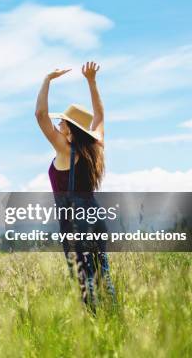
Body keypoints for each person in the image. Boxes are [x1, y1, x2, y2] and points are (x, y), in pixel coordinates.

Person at [34, 61, 116, 310]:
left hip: (74, 223)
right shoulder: (95, 148)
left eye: (62, 123)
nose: (58, 126)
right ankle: (112, 317)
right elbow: (100, 116)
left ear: (70, 129)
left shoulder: (64, 149)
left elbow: (40, 116)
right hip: (95, 216)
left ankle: (95, 326)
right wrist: (91, 81)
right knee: (103, 277)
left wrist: (47, 79)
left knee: (85, 284)